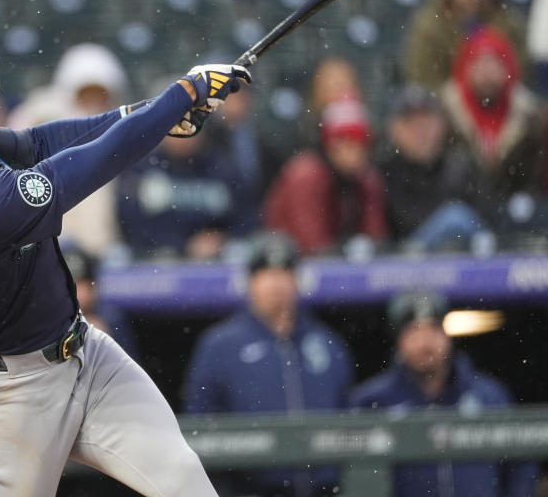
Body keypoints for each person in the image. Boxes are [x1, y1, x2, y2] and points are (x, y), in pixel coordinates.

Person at [0, 44, 252, 495]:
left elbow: (36, 144)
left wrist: (152, 112)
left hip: (85, 356)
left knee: (184, 481)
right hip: (10, 394)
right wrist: (182, 94)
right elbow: (89, 165)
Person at [182, 234, 353, 496]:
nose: (275, 283)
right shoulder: (219, 345)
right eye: (265, 274)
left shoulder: (328, 343)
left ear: (298, 280)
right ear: (249, 283)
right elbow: (199, 426)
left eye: (284, 273)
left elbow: (349, 420)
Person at [350, 291, 538, 497]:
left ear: (447, 335)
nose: (425, 343)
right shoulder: (372, 401)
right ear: (399, 341)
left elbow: (520, 466)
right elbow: (354, 478)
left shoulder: (488, 395)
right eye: (414, 333)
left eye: (433, 331)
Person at [8, 43, 130, 257]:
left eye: (100, 94)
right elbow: (16, 141)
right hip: (49, 245)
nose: (93, 102)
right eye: (85, 94)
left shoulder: (119, 134)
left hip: (99, 250)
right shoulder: (46, 123)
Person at [116, 85, 260, 260]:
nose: (184, 131)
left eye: (192, 122)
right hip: (155, 260)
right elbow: (130, 225)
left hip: (217, 259)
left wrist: (222, 239)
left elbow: (247, 218)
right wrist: (183, 245)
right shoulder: (140, 168)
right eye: (175, 124)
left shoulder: (223, 167)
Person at [263, 98, 387, 255]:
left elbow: (376, 239)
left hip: (334, 254)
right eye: (344, 142)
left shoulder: (366, 179)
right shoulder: (306, 174)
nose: (353, 152)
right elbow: (311, 244)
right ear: (328, 144)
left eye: (359, 143)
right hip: (288, 263)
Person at [377, 86, 489, 250]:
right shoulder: (383, 171)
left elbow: (487, 222)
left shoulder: (462, 166)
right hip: (403, 268)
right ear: (394, 130)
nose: (421, 131)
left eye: (427, 121)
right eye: (411, 124)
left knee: (457, 218)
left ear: (443, 125)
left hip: (466, 264)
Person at [441, 27, 545, 201]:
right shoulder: (443, 116)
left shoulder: (532, 119)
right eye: (479, 65)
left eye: (495, 64)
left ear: (508, 70)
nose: (487, 74)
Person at [405, 0, 527, 90]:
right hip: (445, 109)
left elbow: (520, 73)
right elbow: (422, 81)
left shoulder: (507, 25)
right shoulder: (429, 27)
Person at [60, 243, 139, 360]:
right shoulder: (44, 321)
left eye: (81, 283)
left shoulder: (110, 319)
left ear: (93, 286)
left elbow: (132, 372)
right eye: (68, 284)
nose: (75, 291)